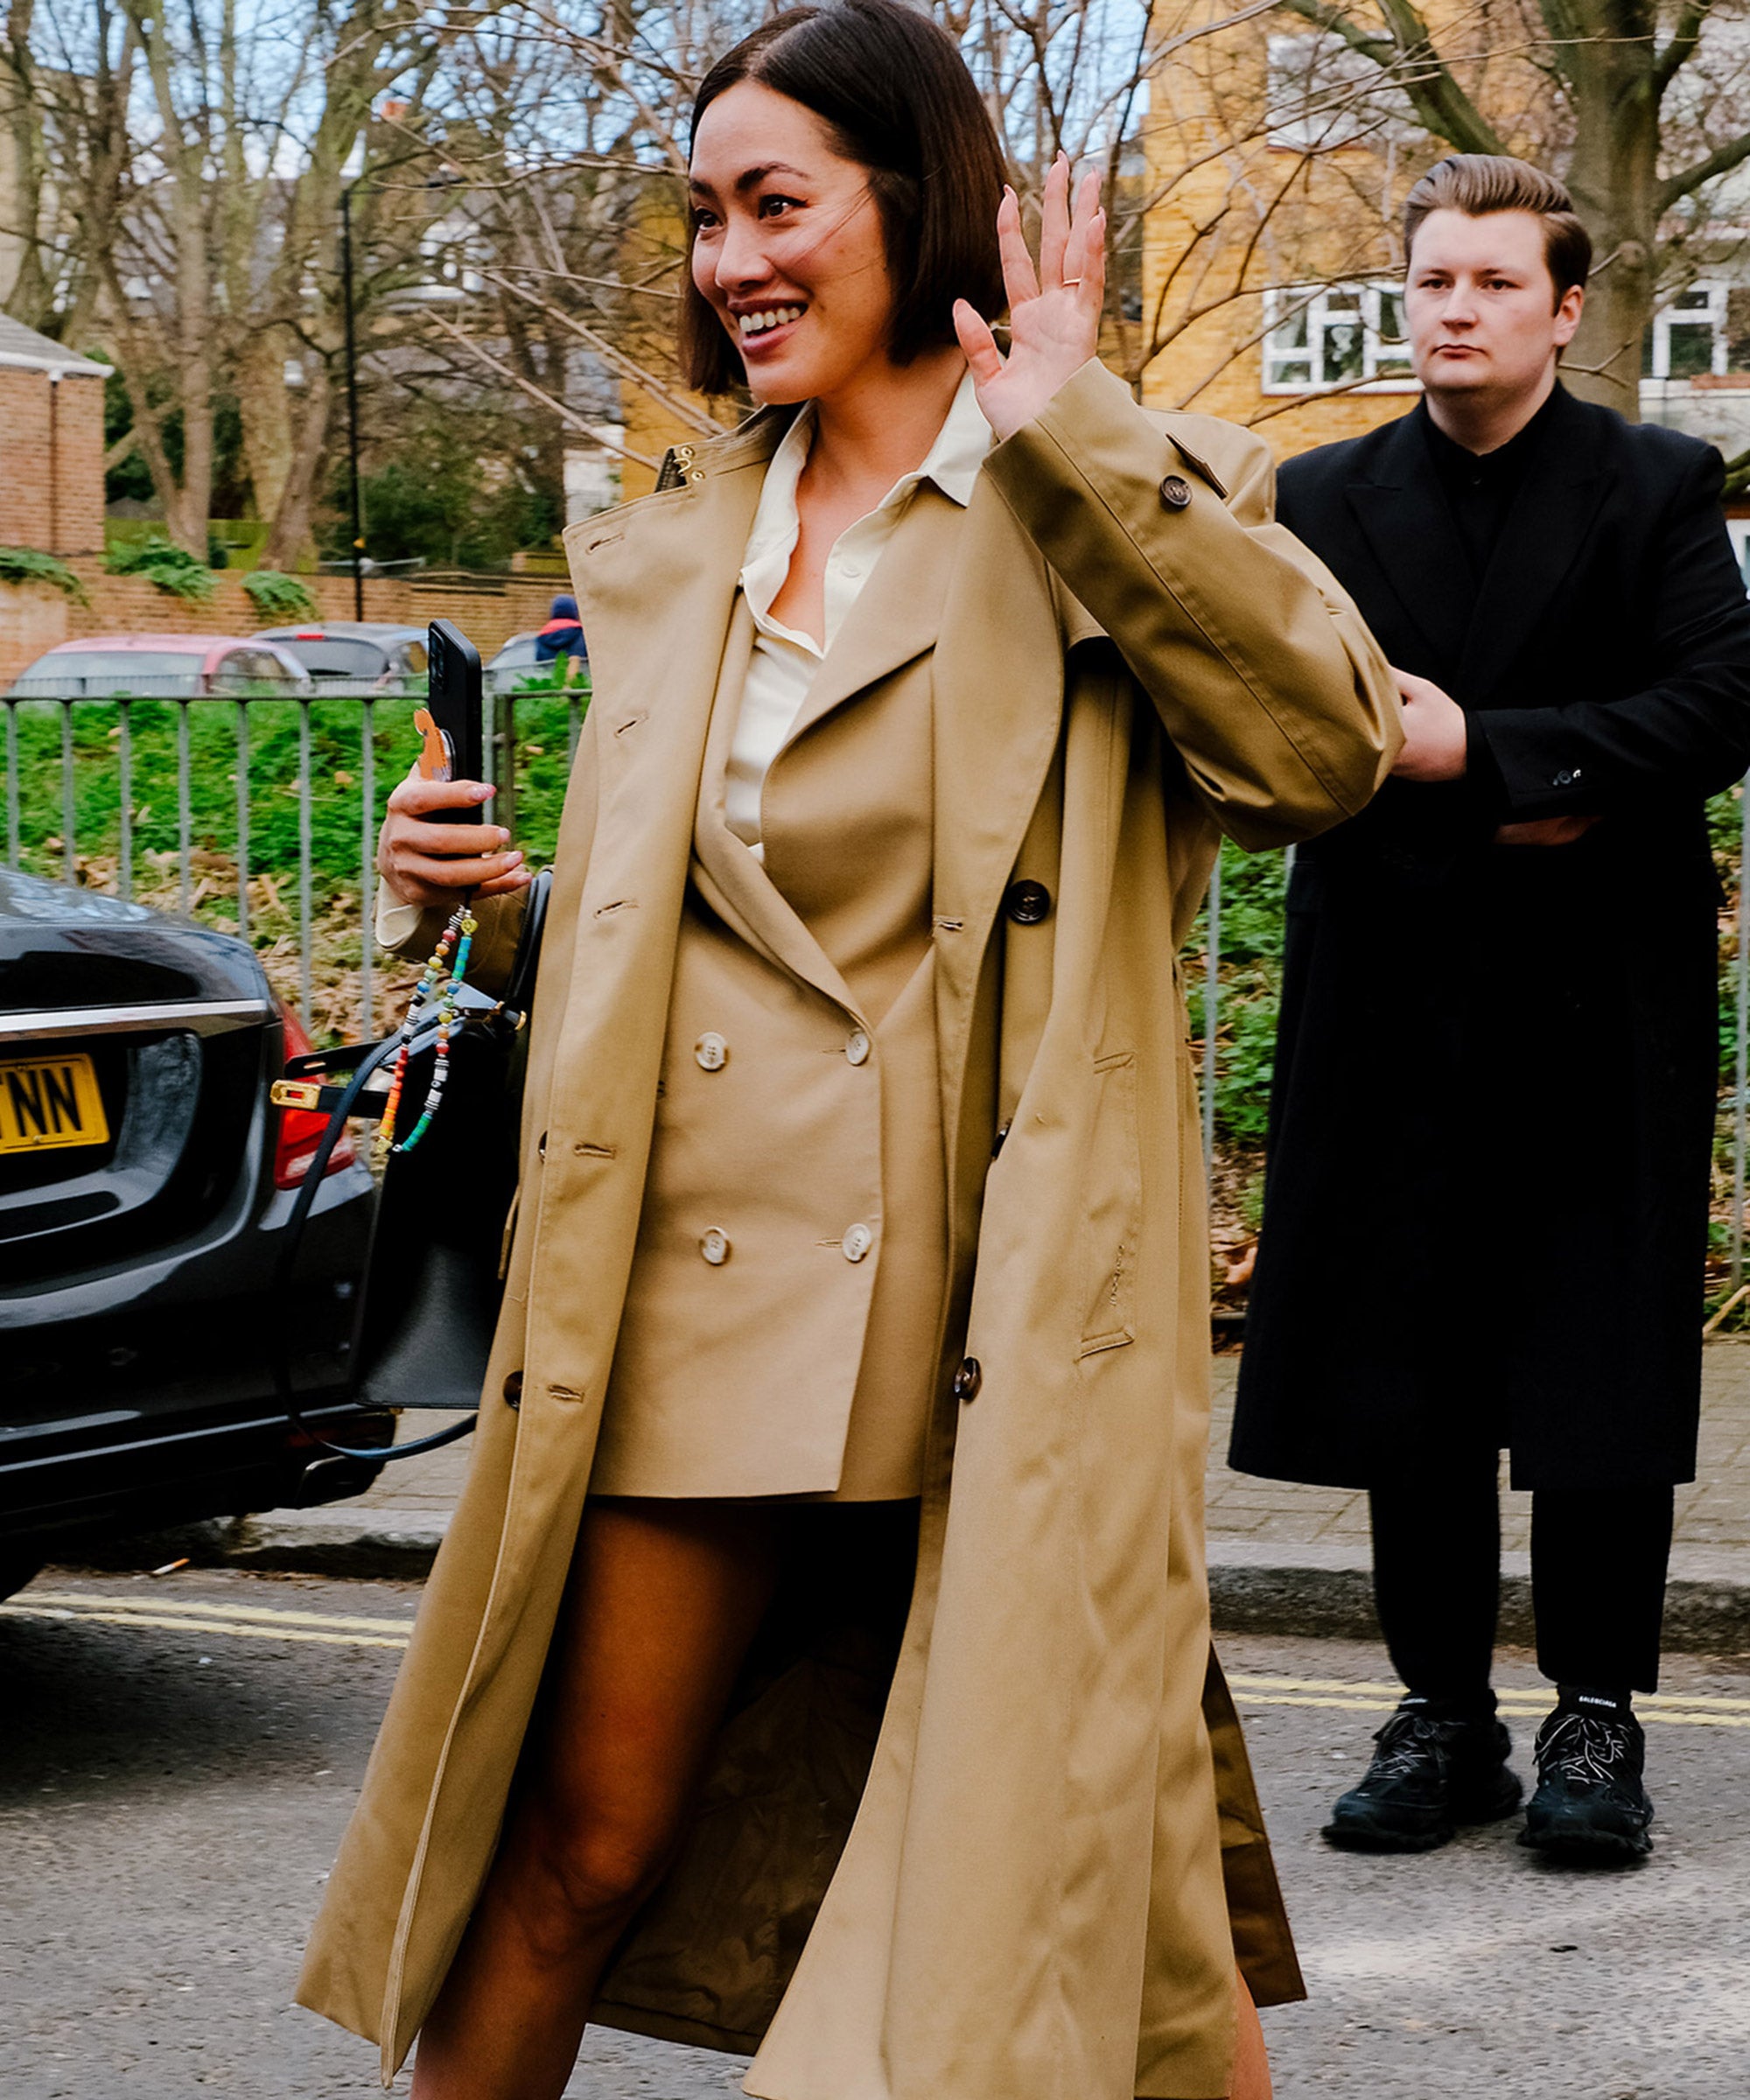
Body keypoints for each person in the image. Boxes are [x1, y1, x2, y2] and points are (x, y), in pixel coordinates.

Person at [297, 6, 1400, 2096]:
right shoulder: (682, 540)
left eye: (775, 204)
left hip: (994, 1311)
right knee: (569, 1854)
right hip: (695, 1293)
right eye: (706, 217)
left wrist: (1072, 429)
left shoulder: (1101, 486)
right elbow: (683, 937)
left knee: (1098, 1900)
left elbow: (1318, 753)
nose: (730, 261)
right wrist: (489, 901)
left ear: (915, 199)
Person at [1230, 154, 1750, 1862]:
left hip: (1600, 997)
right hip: (1390, 986)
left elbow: (1718, 703)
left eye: (1493, 282)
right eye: (1432, 281)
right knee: (1410, 1356)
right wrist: (1517, 794)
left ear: (1564, 307)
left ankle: (1596, 1716)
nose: (1455, 310)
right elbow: (1275, 727)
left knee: (1597, 1357)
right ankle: (1441, 1715)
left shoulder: (1655, 482)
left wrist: (1489, 753)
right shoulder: (1317, 496)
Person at [534, 591, 585, 667]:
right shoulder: (580, 633)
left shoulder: (542, 636)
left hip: (550, 674)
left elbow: (539, 664)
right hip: (578, 674)